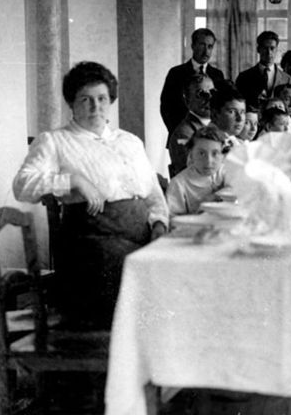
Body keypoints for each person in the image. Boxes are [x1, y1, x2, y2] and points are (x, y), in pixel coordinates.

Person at [13, 61, 169, 329]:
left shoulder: (129, 141)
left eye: (102, 99)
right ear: (71, 104)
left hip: (141, 237)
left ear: (111, 102)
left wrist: (159, 224)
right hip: (91, 247)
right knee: (140, 282)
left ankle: (152, 363)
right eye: (85, 100)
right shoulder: (55, 141)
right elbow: (22, 186)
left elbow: (154, 195)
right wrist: (72, 181)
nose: (95, 107)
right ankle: (111, 361)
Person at [160, 28, 228, 133]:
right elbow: (166, 107)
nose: (206, 51)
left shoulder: (217, 75)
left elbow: (220, 107)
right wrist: (178, 131)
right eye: (202, 45)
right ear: (193, 46)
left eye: (210, 47)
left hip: (210, 136)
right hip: (182, 135)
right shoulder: (176, 73)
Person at [165, 125, 228, 216]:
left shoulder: (225, 172)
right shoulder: (178, 184)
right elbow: (173, 219)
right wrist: (200, 209)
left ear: (222, 156)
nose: (208, 161)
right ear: (191, 155)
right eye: (201, 153)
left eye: (215, 154)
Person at [167, 72, 214, 178]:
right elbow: (196, 175)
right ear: (187, 100)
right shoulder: (183, 134)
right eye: (201, 94)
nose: (209, 98)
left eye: (212, 93)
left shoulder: (217, 126)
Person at [235, 31, 291, 110]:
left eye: (272, 48)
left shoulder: (286, 79)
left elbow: (290, 106)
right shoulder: (244, 77)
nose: (269, 52)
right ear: (258, 49)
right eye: (265, 48)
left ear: (277, 50)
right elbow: (238, 105)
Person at [209, 83, 247, 150]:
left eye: (242, 112)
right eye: (232, 112)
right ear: (215, 114)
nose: (240, 119)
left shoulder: (237, 142)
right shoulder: (207, 143)